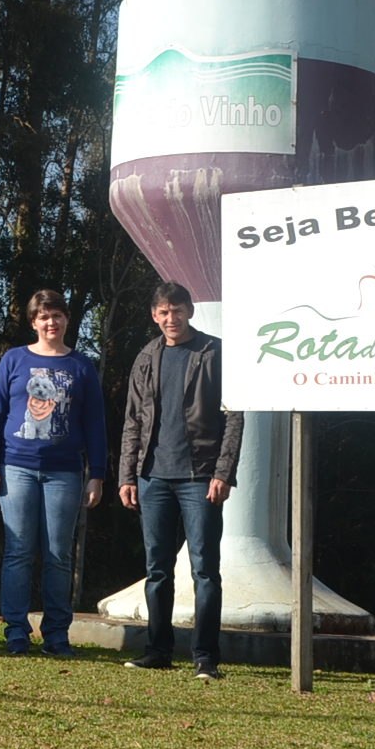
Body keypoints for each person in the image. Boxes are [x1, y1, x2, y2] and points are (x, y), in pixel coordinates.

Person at [117, 279, 245, 679]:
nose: (170, 318)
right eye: (162, 312)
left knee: (205, 570)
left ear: (189, 310)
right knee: (157, 569)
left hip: (199, 477)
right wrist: (127, 475)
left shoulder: (213, 352)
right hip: (153, 477)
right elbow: (133, 421)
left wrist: (223, 471)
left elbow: (235, 415)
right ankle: (158, 650)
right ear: (154, 316)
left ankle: (205, 656)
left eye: (177, 310)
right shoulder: (146, 356)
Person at [0, 288, 107, 656]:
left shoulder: (81, 366)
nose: (51, 322)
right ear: (33, 322)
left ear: (67, 319)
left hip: (64, 472)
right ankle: (16, 632)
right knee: (18, 551)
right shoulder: (14, 360)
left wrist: (96, 473)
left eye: (57, 315)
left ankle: (56, 635)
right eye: (43, 317)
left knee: (57, 555)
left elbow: (95, 423)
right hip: (16, 467)